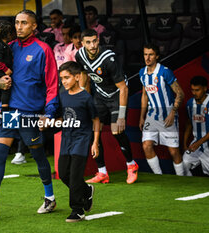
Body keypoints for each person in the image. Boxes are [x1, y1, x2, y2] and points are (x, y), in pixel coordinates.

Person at [0, 10, 59, 220]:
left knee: (37, 156)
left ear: (34, 27)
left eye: (24, 23)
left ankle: (50, 197)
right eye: (17, 22)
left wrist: (49, 113)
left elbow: (52, 84)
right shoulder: (6, 47)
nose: (19, 27)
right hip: (7, 111)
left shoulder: (43, 50)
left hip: (30, 113)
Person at [76, 29, 139, 184]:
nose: (92, 45)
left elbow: (124, 88)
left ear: (98, 40)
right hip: (100, 95)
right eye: (88, 42)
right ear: (82, 44)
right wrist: (84, 96)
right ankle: (102, 172)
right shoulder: (80, 55)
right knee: (92, 129)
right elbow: (84, 74)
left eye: (94, 41)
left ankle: (131, 165)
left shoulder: (108, 59)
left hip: (117, 95)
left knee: (116, 130)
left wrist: (122, 116)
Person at [57, 61, 99, 222]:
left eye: (67, 78)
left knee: (75, 176)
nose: (64, 81)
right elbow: (62, 117)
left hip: (81, 140)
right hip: (66, 140)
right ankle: (86, 191)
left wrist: (95, 142)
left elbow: (96, 119)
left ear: (77, 77)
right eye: (62, 78)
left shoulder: (86, 98)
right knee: (63, 174)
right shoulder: (62, 95)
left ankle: (77, 209)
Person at [139, 43, 185, 176]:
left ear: (157, 56)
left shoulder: (165, 71)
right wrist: (142, 116)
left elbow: (180, 93)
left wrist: (173, 112)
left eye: (151, 55)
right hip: (152, 116)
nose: (147, 58)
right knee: (146, 146)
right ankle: (160, 176)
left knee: (173, 152)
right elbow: (144, 95)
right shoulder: (142, 73)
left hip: (167, 115)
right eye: (145, 54)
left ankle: (181, 179)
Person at [183, 76, 209, 176]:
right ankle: (190, 189)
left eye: (197, 90)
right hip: (196, 144)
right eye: (192, 90)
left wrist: (198, 143)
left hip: (204, 144)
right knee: (185, 163)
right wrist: (184, 144)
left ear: (205, 88)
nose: (194, 93)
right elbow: (189, 123)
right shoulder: (190, 104)